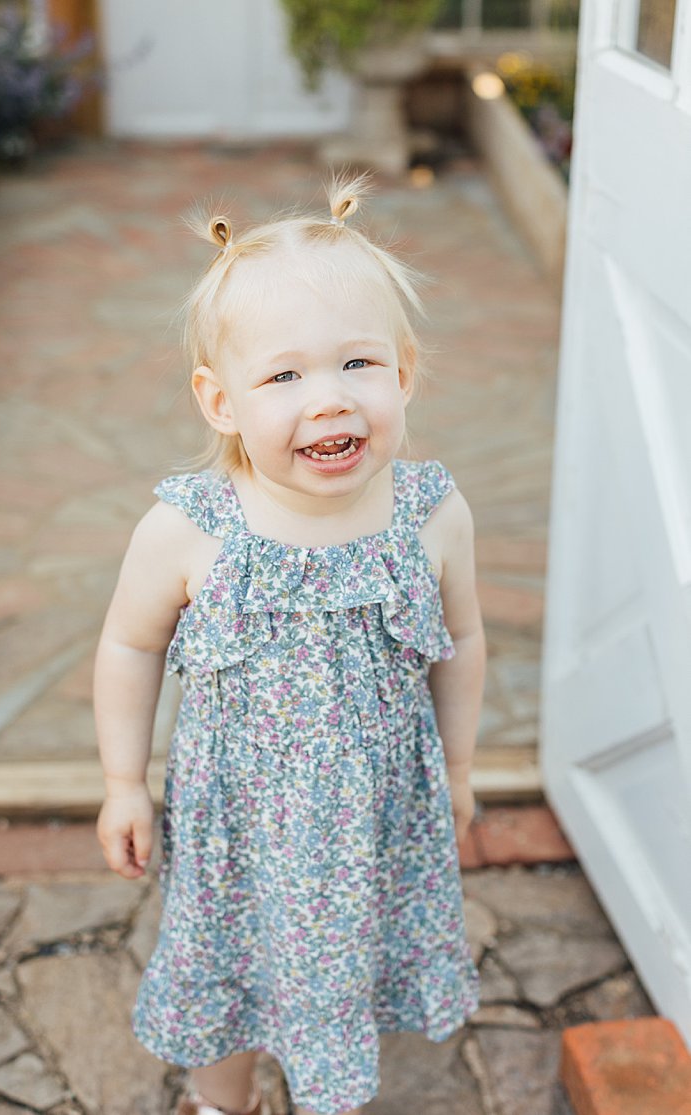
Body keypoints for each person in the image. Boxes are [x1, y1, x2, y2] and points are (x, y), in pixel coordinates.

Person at [94, 177, 485, 1115]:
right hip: (239, 819)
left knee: (341, 973)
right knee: (222, 971)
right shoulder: (191, 530)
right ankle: (225, 1102)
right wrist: (122, 780)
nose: (328, 401)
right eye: (284, 376)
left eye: (358, 364)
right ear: (220, 401)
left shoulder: (430, 513)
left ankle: (326, 1093)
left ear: (405, 372)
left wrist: (461, 766)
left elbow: (462, 639)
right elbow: (129, 645)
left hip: (373, 815)